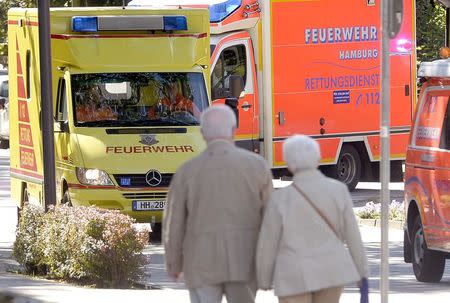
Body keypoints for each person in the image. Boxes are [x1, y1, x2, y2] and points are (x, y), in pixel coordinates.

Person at [163, 104, 273, 303]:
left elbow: (175, 222)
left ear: (203, 132)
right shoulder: (257, 166)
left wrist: (174, 263)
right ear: (233, 130)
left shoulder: (187, 171)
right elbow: (270, 219)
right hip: (245, 260)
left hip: (200, 261)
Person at [256, 135, 369, 303]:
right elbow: (353, 236)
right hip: (332, 273)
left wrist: (263, 278)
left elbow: (268, 242)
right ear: (317, 158)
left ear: (288, 163)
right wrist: (362, 273)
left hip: (292, 276)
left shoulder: (280, 199)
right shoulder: (338, 191)